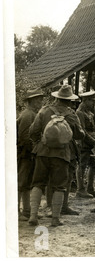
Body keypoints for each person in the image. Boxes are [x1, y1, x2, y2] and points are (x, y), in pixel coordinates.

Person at [28, 85, 85, 227]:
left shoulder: (44, 110)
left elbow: (33, 131)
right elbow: (79, 135)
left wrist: (39, 142)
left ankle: (33, 216)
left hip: (42, 152)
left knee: (38, 183)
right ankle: (55, 218)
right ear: (69, 100)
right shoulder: (72, 114)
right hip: (62, 155)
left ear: (56, 97)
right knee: (59, 186)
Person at [17, 88, 45, 221]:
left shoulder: (32, 114)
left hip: (29, 153)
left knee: (27, 182)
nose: (41, 101)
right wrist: (34, 150)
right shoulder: (27, 115)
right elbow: (24, 137)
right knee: (21, 182)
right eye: (38, 99)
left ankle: (27, 211)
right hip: (25, 154)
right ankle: (16, 211)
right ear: (32, 101)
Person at [75, 90, 95, 198]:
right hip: (84, 144)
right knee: (82, 166)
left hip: (90, 144)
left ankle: (90, 188)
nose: (93, 103)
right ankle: (80, 189)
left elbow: (93, 129)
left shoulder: (89, 113)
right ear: (85, 100)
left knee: (94, 165)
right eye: (91, 101)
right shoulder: (80, 113)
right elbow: (82, 131)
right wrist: (93, 141)